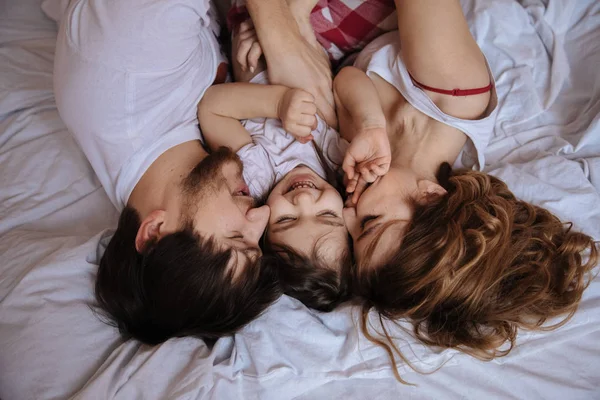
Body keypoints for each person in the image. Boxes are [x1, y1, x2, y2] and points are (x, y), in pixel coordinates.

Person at [334, 0, 598, 381]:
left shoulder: (364, 165)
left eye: (351, 232)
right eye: (369, 223)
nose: (347, 211)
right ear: (430, 196)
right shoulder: (454, 93)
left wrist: (368, 122)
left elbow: (338, 82)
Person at [53, 0, 336, 345]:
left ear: (155, 230)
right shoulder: (170, 172)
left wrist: (280, 31)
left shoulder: (134, 55)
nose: (262, 214)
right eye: (256, 242)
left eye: (236, 237)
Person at [198, 18, 352, 311]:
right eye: (327, 215)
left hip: (254, 36)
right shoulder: (338, 163)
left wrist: (279, 103)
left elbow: (211, 108)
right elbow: (344, 83)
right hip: (309, 37)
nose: (305, 199)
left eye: (286, 220)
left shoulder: (256, 175)